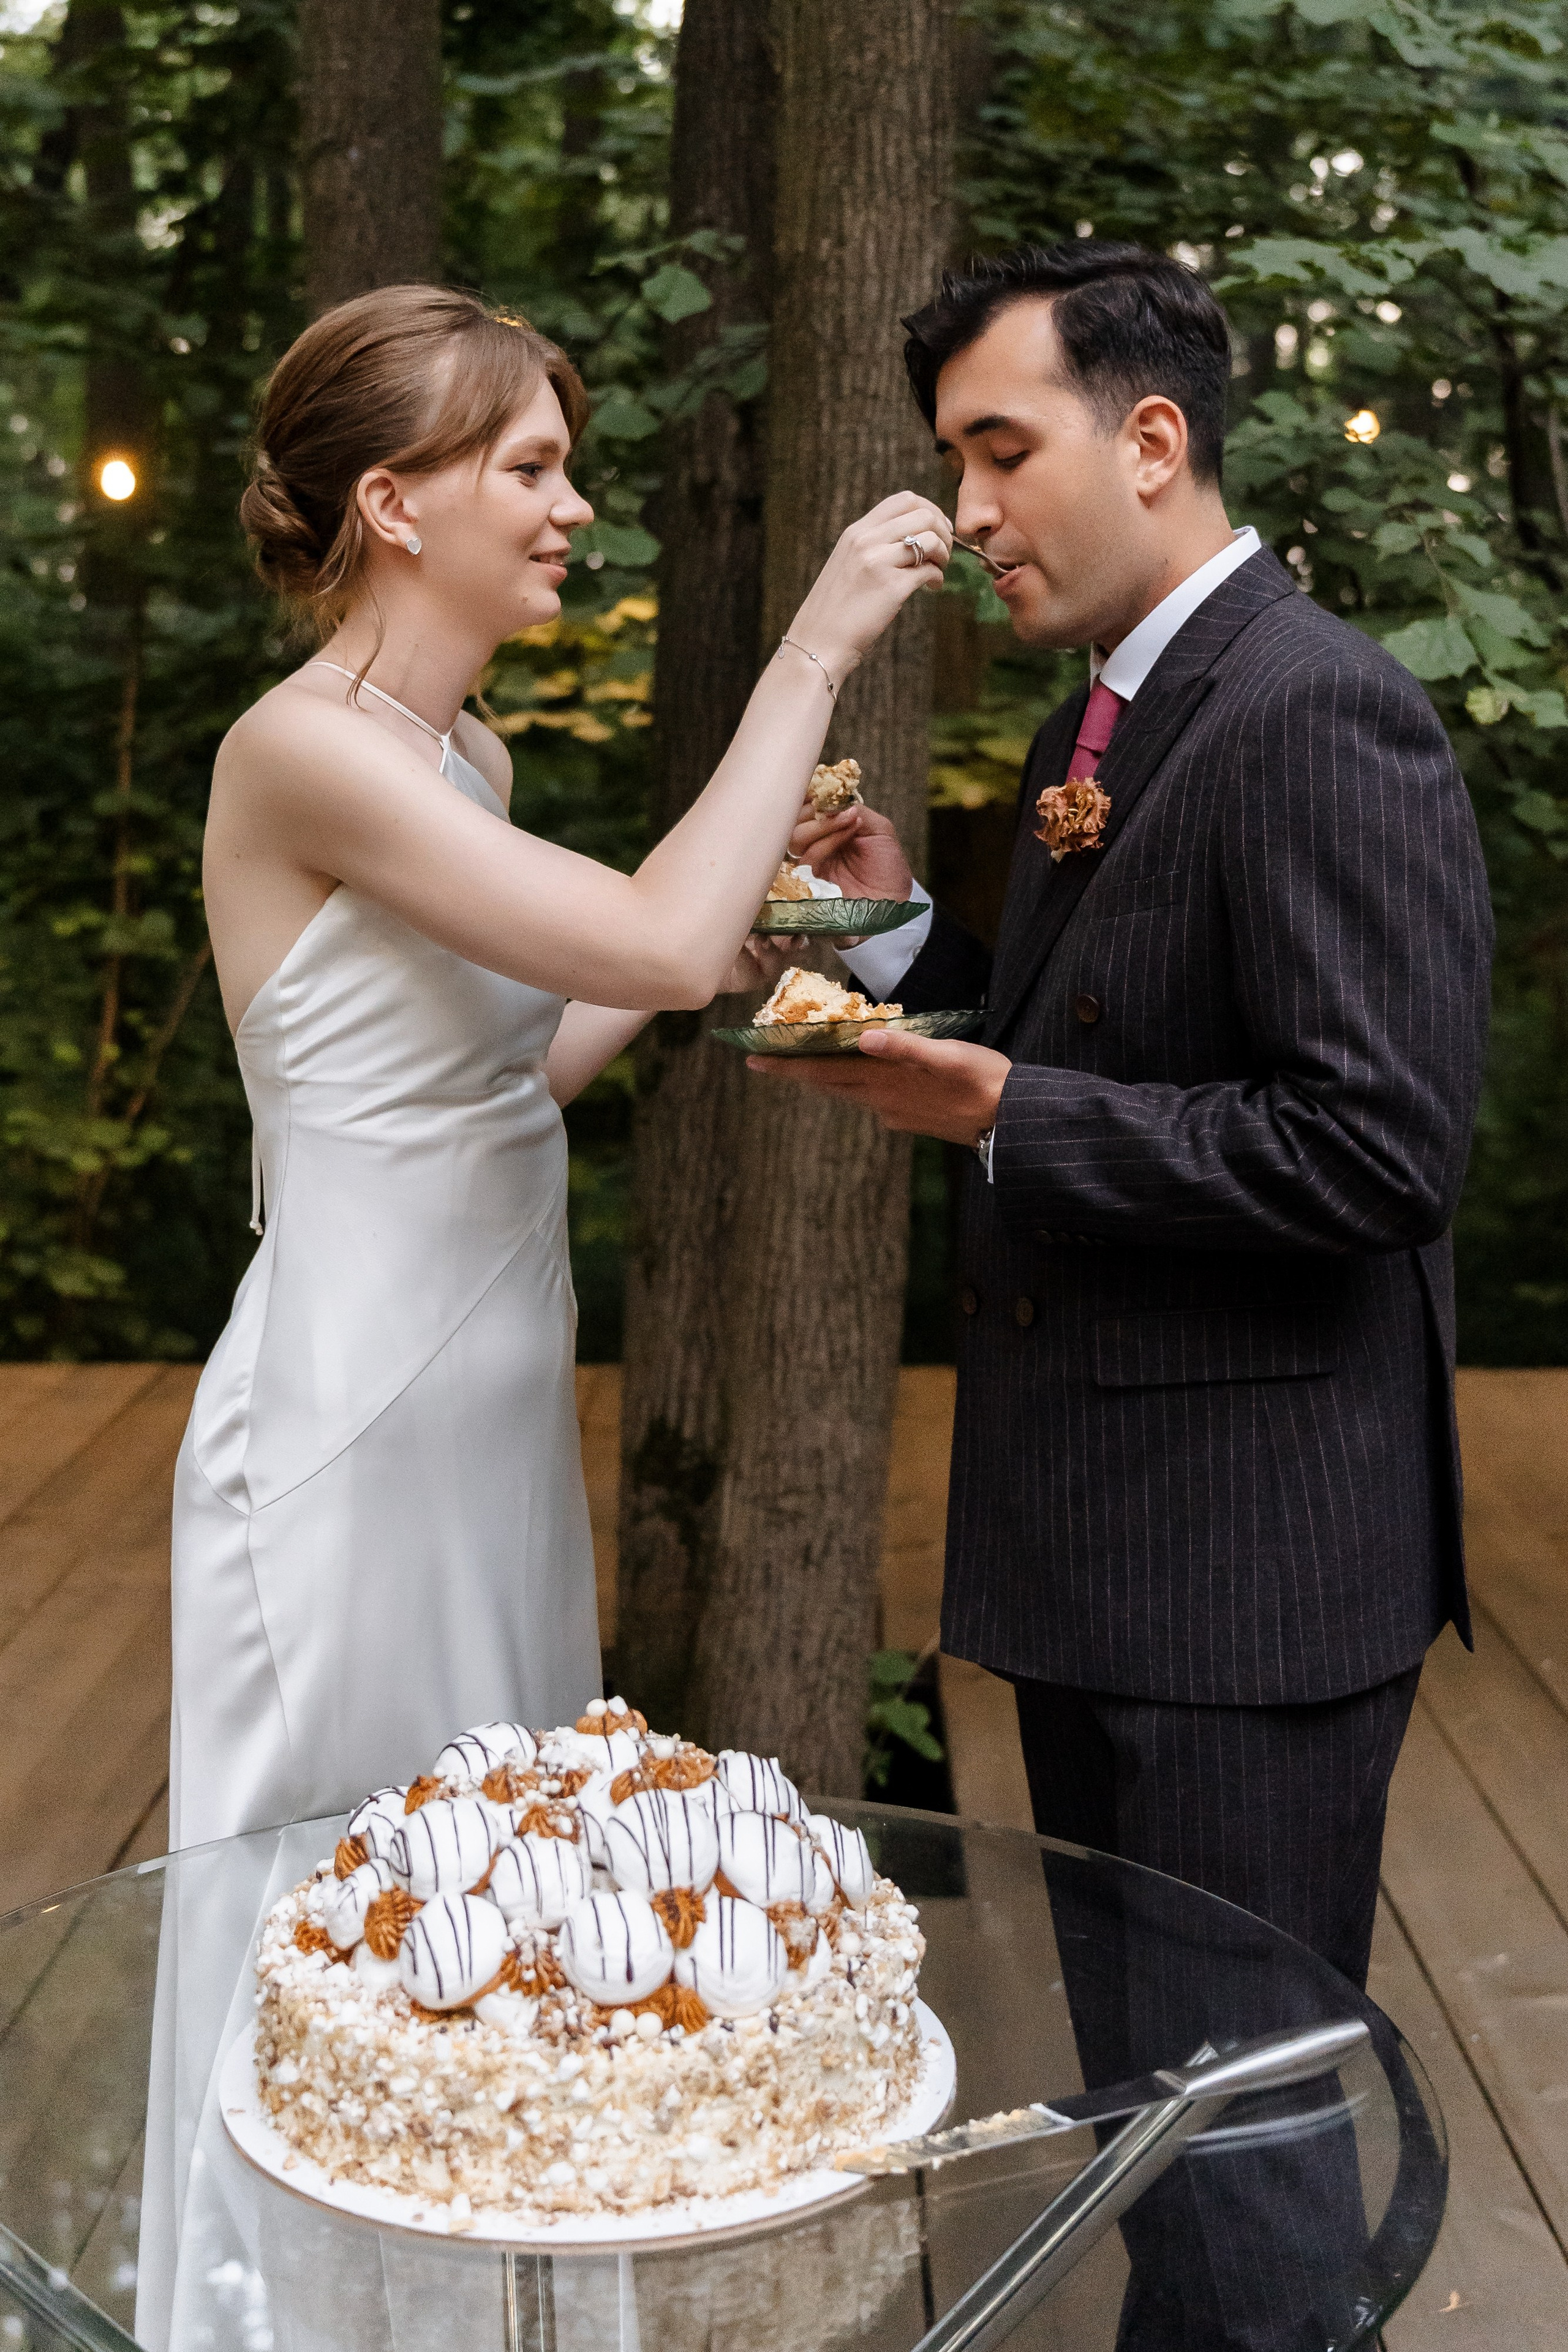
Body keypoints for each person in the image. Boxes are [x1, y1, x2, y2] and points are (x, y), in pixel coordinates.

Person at [756, 241, 1492, 1995]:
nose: (971, 511)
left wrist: (1008, 1110)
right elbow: (1115, 1023)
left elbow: (1374, 1152)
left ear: (1150, 441)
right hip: (1113, 1554)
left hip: (1249, 1585)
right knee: (1150, 2120)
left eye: (1003, 453)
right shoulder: (1103, 716)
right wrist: (910, 928)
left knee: (1240, 2153)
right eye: (958, 463)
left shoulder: (1319, 710)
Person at [172, 282, 951, 1847]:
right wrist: (810, 654)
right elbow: (652, 942)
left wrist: (728, 939)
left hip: (497, 1396)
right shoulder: (296, 748)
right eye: (528, 469)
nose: (570, 507)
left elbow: (509, 1071)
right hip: (356, 1407)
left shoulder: (468, 757)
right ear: (391, 503)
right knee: (355, 1886)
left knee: (499, 1871)